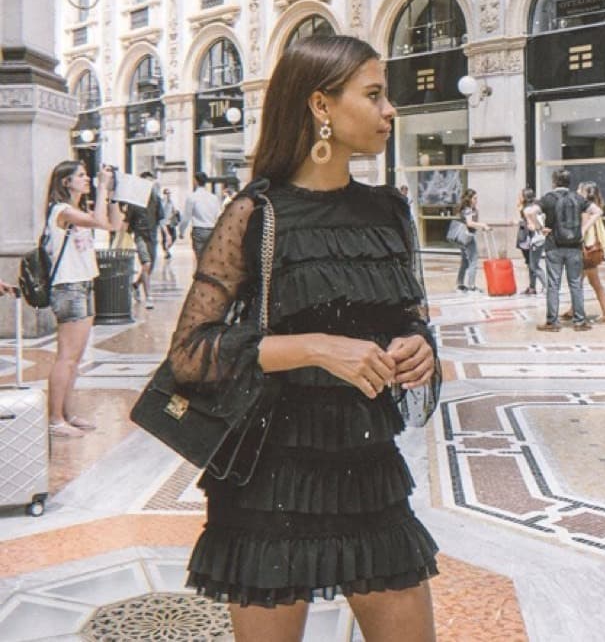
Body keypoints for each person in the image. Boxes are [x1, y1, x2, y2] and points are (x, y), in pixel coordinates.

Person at [166, 36, 440, 642]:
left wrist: (418, 347)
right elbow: (189, 354)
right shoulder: (256, 214)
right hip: (268, 480)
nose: (390, 110)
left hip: (368, 469)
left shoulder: (388, 210)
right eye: (374, 95)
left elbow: (409, 317)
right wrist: (314, 347)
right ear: (321, 105)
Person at [44, 161, 121, 438]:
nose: (86, 179)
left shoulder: (77, 211)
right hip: (69, 287)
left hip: (85, 285)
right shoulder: (62, 212)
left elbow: (113, 224)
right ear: (65, 182)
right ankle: (55, 419)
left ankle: (68, 413)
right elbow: (100, 222)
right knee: (66, 357)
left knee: (75, 358)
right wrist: (101, 187)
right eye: (80, 175)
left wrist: (111, 193)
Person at [525, 168, 601, 332]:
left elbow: (529, 211)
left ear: (554, 182)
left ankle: (552, 322)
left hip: (554, 246)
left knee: (553, 285)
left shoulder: (548, 198)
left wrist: (540, 227)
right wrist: (583, 229)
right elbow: (597, 211)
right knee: (576, 284)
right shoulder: (577, 198)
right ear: (569, 182)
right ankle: (579, 322)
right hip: (574, 247)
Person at [560, 182, 605, 323]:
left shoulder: (585, 211)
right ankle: (573, 309)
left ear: (584, 193)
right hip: (592, 251)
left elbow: (582, 232)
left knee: (593, 283)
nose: (576, 191)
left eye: (579, 189)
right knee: (579, 282)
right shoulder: (596, 207)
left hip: (585, 252)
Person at [127, 171, 164, 309]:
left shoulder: (156, 199)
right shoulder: (134, 201)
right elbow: (127, 222)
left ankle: (135, 285)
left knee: (149, 268)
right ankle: (149, 297)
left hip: (152, 236)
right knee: (146, 263)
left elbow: (160, 218)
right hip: (140, 235)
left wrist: (167, 234)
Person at [179, 171, 221, 263]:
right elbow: (219, 216)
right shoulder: (213, 198)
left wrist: (181, 231)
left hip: (198, 230)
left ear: (195, 181)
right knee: (210, 258)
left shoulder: (192, 197)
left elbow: (186, 217)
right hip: (211, 230)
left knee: (200, 259)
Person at [456, 188, 490, 292]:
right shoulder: (468, 210)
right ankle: (471, 286)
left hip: (462, 238)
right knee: (473, 261)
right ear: (469, 199)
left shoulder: (468, 209)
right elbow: (470, 223)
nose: (476, 200)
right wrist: (483, 225)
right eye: (474, 198)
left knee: (465, 262)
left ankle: (460, 284)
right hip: (468, 237)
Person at [516, 187, 546, 296]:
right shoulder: (536, 207)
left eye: (520, 195)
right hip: (536, 238)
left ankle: (546, 286)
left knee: (533, 265)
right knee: (531, 264)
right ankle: (532, 287)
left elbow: (532, 226)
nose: (518, 197)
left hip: (532, 239)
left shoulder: (526, 210)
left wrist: (522, 223)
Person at [160, 188, 179, 259]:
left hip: (170, 223)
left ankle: (167, 248)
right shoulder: (162, 202)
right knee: (165, 238)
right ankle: (166, 252)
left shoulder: (171, 202)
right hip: (164, 223)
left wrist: (175, 213)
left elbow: (174, 210)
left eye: (169, 193)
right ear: (164, 194)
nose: (168, 195)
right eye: (166, 193)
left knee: (174, 237)